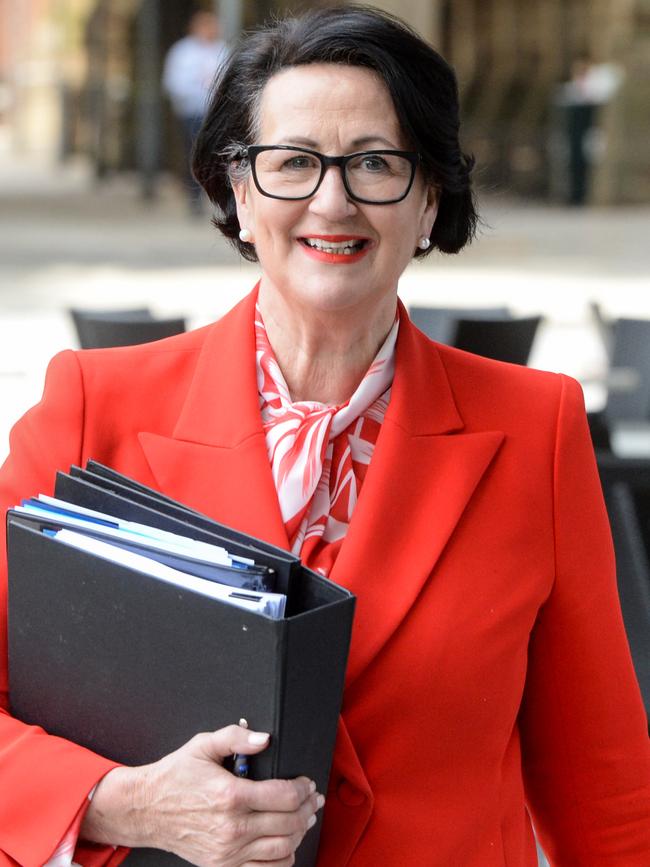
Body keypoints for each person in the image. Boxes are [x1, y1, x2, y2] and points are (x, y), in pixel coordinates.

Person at [1, 6, 650, 866]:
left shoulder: (539, 429)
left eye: (375, 163)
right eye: (294, 162)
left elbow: (605, 797)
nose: (332, 200)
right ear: (240, 192)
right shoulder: (93, 407)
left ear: (429, 200)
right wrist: (119, 802)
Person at [162, 10, 229, 214]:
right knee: (194, 151)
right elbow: (174, 83)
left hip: (216, 113)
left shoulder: (222, 49)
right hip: (192, 111)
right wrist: (200, 86)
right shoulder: (183, 52)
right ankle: (194, 196)